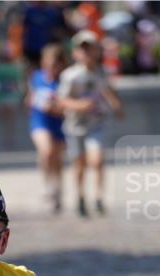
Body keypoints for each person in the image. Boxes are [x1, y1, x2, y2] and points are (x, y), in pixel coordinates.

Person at [58, 29, 123, 216]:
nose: (86, 53)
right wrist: (78, 105)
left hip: (97, 123)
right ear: (75, 52)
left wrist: (117, 107)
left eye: (90, 49)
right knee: (79, 163)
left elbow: (108, 91)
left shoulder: (102, 73)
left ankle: (99, 197)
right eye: (82, 49)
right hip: (75, 125)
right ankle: (80, 196)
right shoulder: (70, 75)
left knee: (97, 159)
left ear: (96, 51)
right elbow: (61, 100)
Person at [28, 42, 66, 211]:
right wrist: (32, 101)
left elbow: (67, 108)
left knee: (57, 159)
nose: (50, 68)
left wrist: (55, 108)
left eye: (54, 65)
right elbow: (31, 97)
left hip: (59, 124)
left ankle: (58, 189)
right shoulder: (36, 77)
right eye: (47, 64)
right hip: (40, 121)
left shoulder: (65, 81)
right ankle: (46, 184)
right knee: (46, 151)